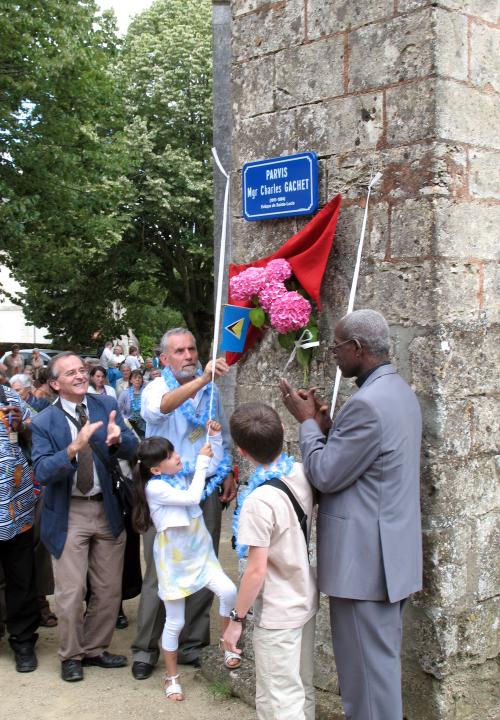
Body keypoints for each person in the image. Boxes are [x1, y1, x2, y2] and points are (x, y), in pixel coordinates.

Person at [280, 309, 422, 720]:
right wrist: (327, 432)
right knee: (377, 675)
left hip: (365, 565)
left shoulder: (367, 406)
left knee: (366, 689)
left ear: (357, 349)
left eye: (338, 346)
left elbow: (326, 473)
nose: (334, 353)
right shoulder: (398, 392)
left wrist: (307, 426)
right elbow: (363, 468)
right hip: (387, 558)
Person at [130, 327, 235, 680]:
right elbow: (162, 408)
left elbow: (218, 429)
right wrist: (202, 379)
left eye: (192, 349)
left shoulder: (211, 390)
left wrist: (228, 471)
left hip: (203, 486)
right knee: (159, 570)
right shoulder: (155, 387)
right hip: (166, 492)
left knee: (206, 563)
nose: (189, 355)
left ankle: (191, 643)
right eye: (180, 351)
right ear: (164, 359)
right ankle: (145, 648)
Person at [30, 352, 138, 682]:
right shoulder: (43, 422)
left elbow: (134, 448)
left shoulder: (106, 406)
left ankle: (94, 649)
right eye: (70, 372)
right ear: (54, 383)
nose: (79, 376)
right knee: (70, 592)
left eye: (82, 370)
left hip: (106, 508)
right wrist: (72, 450)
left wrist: (119, 442)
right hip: (69, 512)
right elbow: (41, 471)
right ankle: (71, 655)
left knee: (108, 589)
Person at [223, 403, 317, 720]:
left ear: (243, 452)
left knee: (280, 700)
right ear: (282, 435)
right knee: (301, 689)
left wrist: (236, 619)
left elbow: (256, 570)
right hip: (304, 598)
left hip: (278, 610)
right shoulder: (303, 471)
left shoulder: (258, 501)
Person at [132, 422, 239, 701]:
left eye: (173, 451)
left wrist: (214, 439)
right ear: (155, 469)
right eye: (168, 456)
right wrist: (202, 461)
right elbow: (193, 495)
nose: (176, 456)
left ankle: (227, 643)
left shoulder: (178, 474)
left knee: (229, 591)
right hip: (175, 561)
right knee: (175, 622)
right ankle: (172, 676)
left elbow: (213, 465)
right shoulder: (156, 487)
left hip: (200, 553)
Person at [0, 383, 39, 672]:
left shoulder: (8, 394)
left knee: (22, 577)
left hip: (16, 505)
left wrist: (21, 425)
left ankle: (23, 641)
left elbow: (34, 427)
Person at [118, 369, 146, 438]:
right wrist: (124, 419)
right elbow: (118, 408)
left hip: (144, 423)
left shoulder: (146, 392)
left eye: (139, 378)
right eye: (135, 377)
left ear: (142, 380)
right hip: (130, 424)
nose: (137, 379)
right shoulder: (125, 393)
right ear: (130, 380)